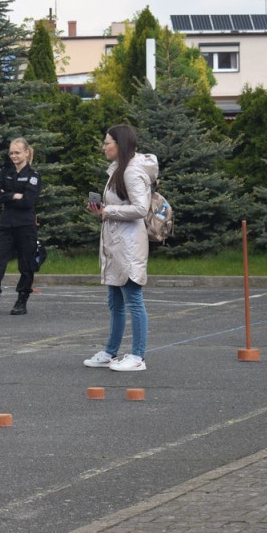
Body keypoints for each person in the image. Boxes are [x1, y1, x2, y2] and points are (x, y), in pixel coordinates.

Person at [83, 124, 158, 372]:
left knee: (133, 300)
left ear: (120, 144)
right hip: (116, 243)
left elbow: (141, 208)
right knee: (115, 301)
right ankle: (110, 351)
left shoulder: (131, 172)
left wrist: (109, 211)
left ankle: (138, 356)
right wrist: (102, 211)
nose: (104, 147)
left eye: (107, 142)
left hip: (128, 245)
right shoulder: (118, 170)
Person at [0, 137, 41, 316]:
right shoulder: (5, 172)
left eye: (17, 152)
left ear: (26, 153)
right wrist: (15, 196)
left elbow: (28, 201)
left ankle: (22, 300)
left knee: (27, 265)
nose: (13, 156)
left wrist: (7, 194)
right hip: (7, 225)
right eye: (11, 153)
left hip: (25, 226)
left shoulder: (33, 176)